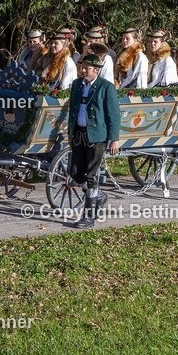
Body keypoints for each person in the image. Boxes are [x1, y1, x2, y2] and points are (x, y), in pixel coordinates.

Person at [68, 54, 120, 229]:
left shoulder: (106, 88)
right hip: (79, 134)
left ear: (96, 70)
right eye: (82, 67)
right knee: (75, 173)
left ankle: (88, 217)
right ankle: (98, 195)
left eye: (87, 68)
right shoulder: (76, 85)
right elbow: (72, 111)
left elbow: (113, 115)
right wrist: (70, 133)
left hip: (97, 136)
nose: (83, 70)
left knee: (91, 176)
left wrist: (114, 140)